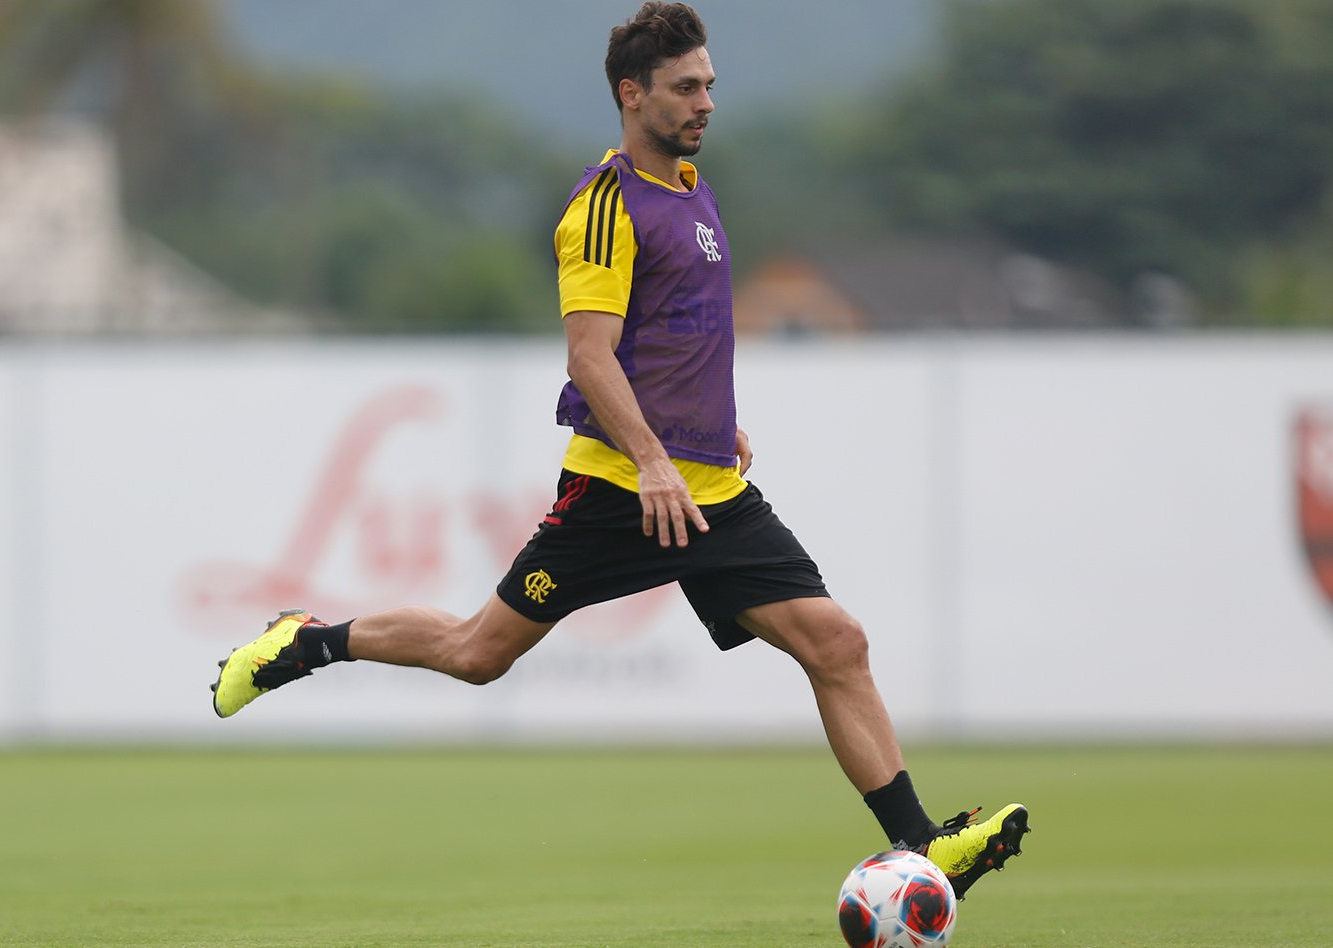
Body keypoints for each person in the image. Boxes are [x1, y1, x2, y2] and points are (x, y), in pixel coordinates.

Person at [211, 1, 1028, 899]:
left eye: (710, 84)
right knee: (478, 652)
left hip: (708, 487)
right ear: (632, 95)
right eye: (685, 88)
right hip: (622, 488)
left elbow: (677, 338)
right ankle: (308, 643)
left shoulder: (694, 192)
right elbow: (589, 353)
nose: (706, 102)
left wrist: (711, 430)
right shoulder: (603, 207)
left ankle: (920, 846)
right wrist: (650, 457)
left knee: (836, 642)